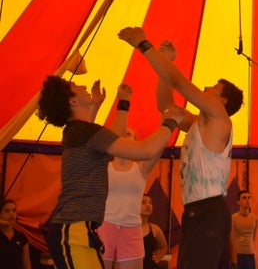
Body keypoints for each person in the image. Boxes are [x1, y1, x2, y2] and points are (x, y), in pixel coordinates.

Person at [117, 29, 243, 269]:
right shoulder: (199, 123)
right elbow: (165, 106)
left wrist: (144, 45)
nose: (207, 86)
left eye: (215, 87)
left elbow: (178, 82)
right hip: (199, 211)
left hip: (208, 211)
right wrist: (165, 62)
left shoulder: (219, 117)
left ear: (223, 101)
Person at [36, 77, 184, 269]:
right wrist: (170, 122)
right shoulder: (82, 132)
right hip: (73, 230)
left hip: (83, 231)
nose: (82, 85)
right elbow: (146, 150)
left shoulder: (79, 132)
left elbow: (109, 136)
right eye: (75, 86)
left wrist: (121, 102)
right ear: (72, 101)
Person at [98, 84, 163, 269]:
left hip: (131, 229)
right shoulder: (104, 166)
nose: (125, 136)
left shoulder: (141, 168)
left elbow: (157, 146)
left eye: (129, 135)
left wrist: (165, 118)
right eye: (122, 134)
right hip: (106, 225)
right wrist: (123, 100)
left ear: (135, 143)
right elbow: (110, 137)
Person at [0, 199, 31, 269]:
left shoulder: (21, 237)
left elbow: (27, 265)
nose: (11, 214)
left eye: (14, 210)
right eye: (7, 211)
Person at [231, 190, 258, 269]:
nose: (247, 200)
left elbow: (253, 237)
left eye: (249, 198)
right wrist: (233, 259)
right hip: (238, 254)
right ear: (238, 202)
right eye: (244, 198)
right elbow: (231, 238)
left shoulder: (255, 218)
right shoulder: (233, 218)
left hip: (250, 254)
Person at [140, 194, 168, 269]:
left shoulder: (155, 229)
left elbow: (164, 247)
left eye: (150, 203)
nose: (148, 205)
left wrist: (158, 257)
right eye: (143, 202)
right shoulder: (129, 228)